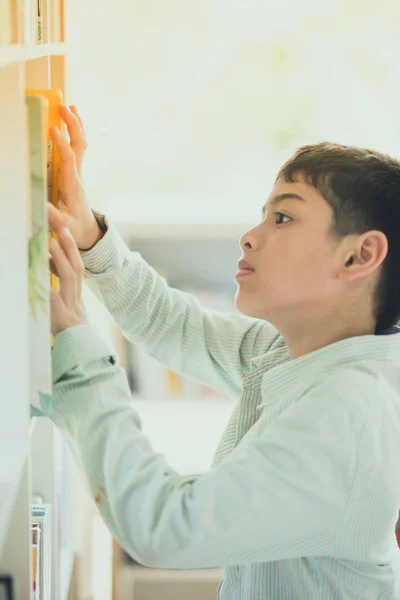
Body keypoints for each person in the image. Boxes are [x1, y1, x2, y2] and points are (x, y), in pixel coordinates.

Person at [44, 105, 400, 600]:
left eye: (282, 217)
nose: (250, 237)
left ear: (360, 256)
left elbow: (165, 526)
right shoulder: (302, 350)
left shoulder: (348, 412)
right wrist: (87, 235)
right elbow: (177, 326)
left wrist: (79, 352)